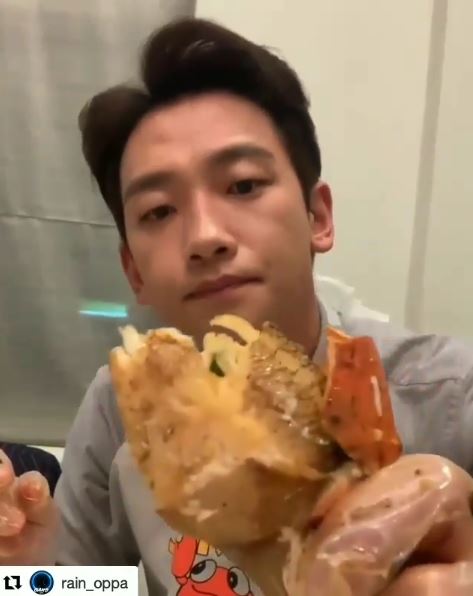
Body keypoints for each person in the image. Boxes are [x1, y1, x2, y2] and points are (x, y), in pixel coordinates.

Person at [1, 17, 472, 595]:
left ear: (318, 218)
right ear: (134, 272)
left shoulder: (447, 397)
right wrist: (32, 573)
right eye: (159, 211)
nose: (205, 236)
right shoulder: (118, 412)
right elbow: (88, 587)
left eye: (243, 185)